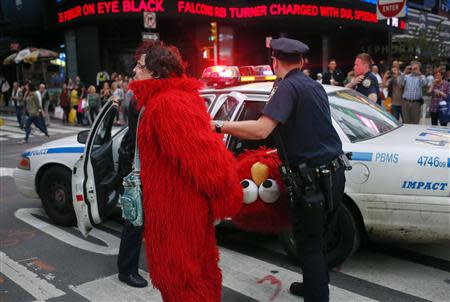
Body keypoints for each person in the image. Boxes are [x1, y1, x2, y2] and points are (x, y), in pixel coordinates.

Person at [211, 37, 347, 302]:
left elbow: (262, 129)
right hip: (334, 174)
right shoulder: (312, 85)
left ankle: (317, 296)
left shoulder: (286, 88)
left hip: (313, 181)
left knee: (309, 245)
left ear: (275, 61)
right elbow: (307, 129)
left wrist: (219, 126)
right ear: (301, 61)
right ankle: (313, 286)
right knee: (318, 240)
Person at [128, 41, 242, 301]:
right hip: (176, 212)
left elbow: (205, 160)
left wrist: (226, 196)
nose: (135, 71)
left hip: (178, 215)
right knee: (190, 278)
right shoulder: (164, 100)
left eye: (140, 66)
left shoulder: (167, 104)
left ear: (156, 73)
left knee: (183, 282)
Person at [116, 80, 147, 288]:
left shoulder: (136, 97)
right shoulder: (139, 99)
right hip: (136, 170)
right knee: (134, 221)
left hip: (136, 166)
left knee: (136, 220)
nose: (135, 69)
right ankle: (127, 271)